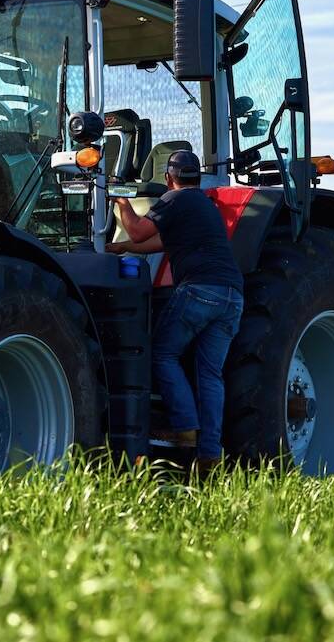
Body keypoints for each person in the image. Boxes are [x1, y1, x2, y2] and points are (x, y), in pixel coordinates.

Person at [107, 149, 244, 469]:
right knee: (210, 375)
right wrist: (124, 247)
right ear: (195, 176)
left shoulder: (175, 200)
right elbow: (162, 243)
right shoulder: (204, 206)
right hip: (232, 296)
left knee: (161, 354)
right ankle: (209, 454)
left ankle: (184, 428)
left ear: (169, 178)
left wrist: (122, 203)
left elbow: (140, 230)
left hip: (200, 291)